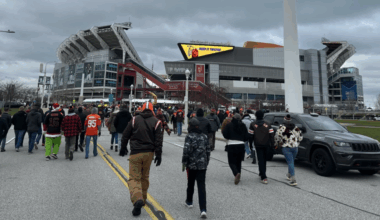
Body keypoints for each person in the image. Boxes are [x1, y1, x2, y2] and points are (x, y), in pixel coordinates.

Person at [119, 102, 163, 217]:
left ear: (142, 109)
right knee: (144, 177)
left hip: (135, 152)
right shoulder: (157, 122)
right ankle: (142, 199)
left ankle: (137, 198)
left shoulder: (134, 120)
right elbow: (159, 140)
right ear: (152, 110)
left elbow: (125, 135)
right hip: (149, 153)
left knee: (134, 178)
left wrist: (123, 148)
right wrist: (158, 155)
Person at [182, 118, 210, 219]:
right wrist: (207, 162)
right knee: (201, 186)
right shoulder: (204, 136)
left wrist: (184, 162)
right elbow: (208, 150)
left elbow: (186, 150)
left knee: (190, 183)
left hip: (192, 164)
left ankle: (189, 201)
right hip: (202, 164)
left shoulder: (189, 136)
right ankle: (203, 209)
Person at [275, 114, 303, 186]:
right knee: (291, 162)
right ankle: (289, 175)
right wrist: (297, 142)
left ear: (284, 119)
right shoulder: (296, 128)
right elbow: (300, 137)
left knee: (290, 162)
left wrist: (277, 144)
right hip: (295, 147)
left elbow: (277, 137)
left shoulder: (281, 128)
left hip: (286, 147)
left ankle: (294, 180)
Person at [222, 114, 249, 185]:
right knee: (238, 161)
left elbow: (225, 134)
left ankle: (236, 173)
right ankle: (239, 174)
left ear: (233, 118)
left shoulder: (229, 125)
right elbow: (246, 136)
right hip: (241, 145)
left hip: (231, 144)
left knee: (231, 161)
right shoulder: (243, 125)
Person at [248, 110, 275, 184]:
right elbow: (272, 135)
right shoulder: (268, 124)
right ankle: (262, 173)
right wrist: (272, 145)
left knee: (260, 159)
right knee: (264, 160)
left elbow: (250, 136)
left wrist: (250, 145)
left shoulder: (253, 124)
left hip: (258, 144)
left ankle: (263, 176)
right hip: (266, 144)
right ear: (263, 116)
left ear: (256, 116)